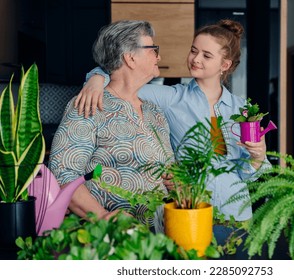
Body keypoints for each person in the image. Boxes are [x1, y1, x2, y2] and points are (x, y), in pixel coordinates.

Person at [75, 19, 271, 223]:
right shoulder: (170, 98)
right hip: (190, 212)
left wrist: (257, 156)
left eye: (206, 55)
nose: (196, 59)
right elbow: (121, 80)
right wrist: (95, 79)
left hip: (237, 214)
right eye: (194, 51)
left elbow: (247, 174)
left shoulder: (242, 109)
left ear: (225, 65)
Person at [48, 20, 174, 226]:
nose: (159, 56)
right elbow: (63, 173)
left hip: (159, 235)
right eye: (153, 50)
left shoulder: (154, 112)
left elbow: (169, 171)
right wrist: (102, 216)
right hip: (110, 240)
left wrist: (176, 184)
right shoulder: (89, 104)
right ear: (130, 58)